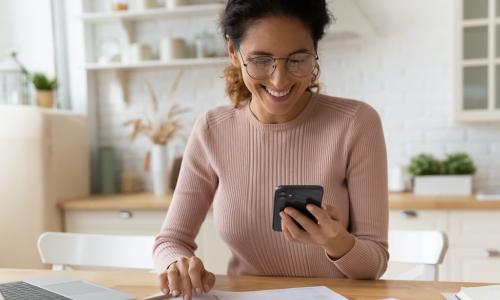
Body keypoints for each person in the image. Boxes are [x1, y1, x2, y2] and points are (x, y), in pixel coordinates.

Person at [153, 0, 389, 298]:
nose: (279, 79)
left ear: (315, 50)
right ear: (233, 53)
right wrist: (177, 264)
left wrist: (336, 241)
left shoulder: (355, 123)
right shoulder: (213, 129)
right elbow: (170, 241)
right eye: (261, 60)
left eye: (297, 59)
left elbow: (374, 264)